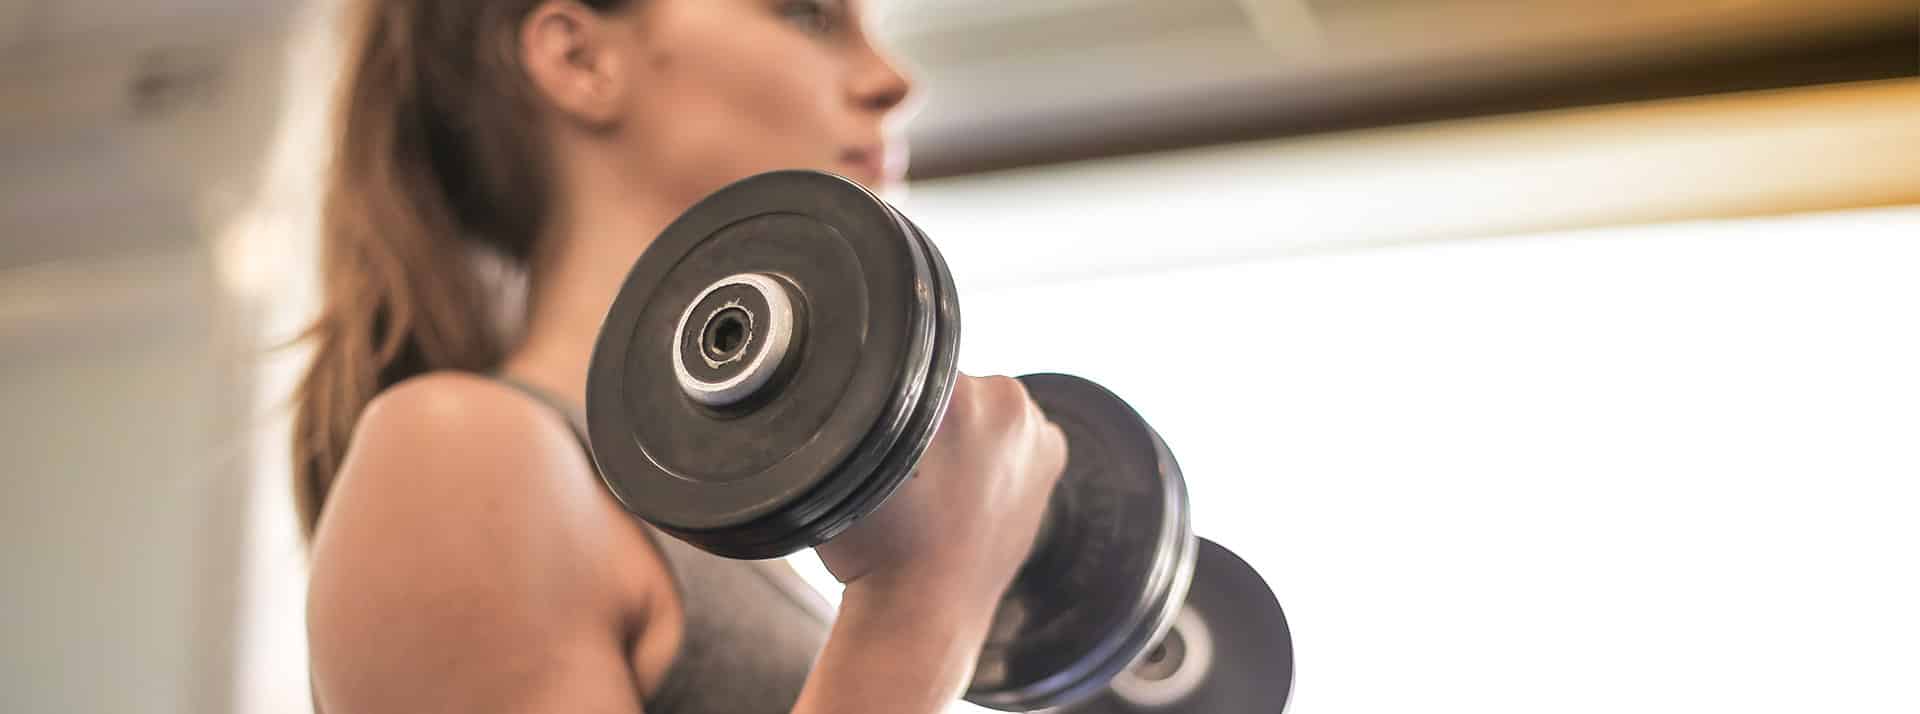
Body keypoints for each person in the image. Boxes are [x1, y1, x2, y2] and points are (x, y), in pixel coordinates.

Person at [291, 1, 1069, 712]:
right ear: (580, 61)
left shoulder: (730, 533)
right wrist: (920, 607)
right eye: (807, 15)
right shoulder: (454, 452)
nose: (894, 81)